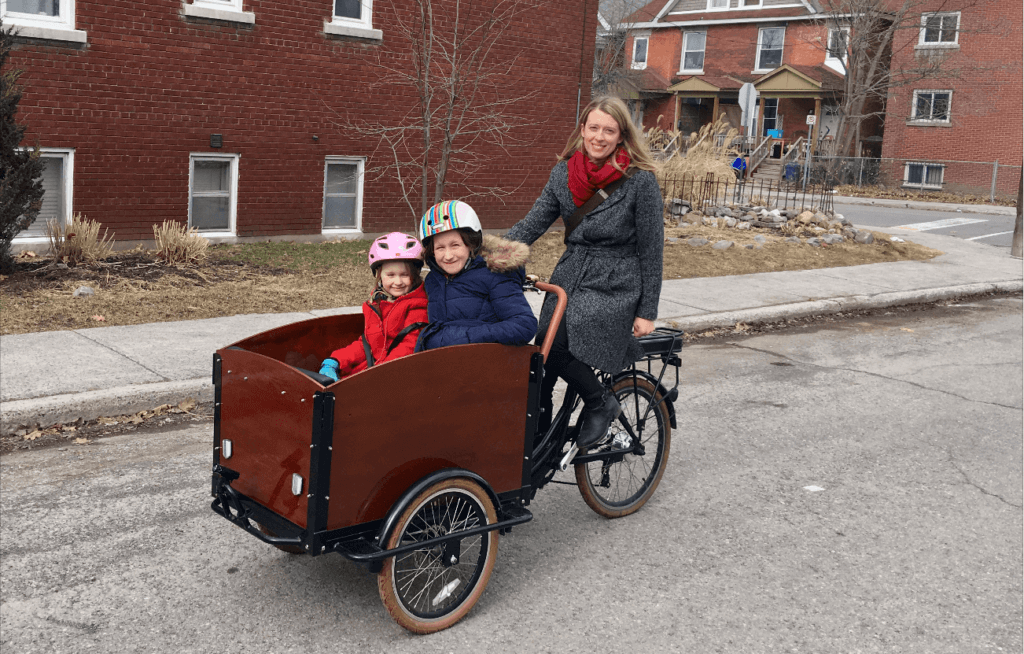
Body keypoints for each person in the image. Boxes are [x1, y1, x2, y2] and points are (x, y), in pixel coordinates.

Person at [506, 96, 664, 449]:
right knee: (541, 357)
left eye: (609, 130)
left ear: (621, 136)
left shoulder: (640, 181)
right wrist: (486, 254)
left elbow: (652, 250)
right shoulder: (563, 172)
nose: (599, 137)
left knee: (561, 348)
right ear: (582, 130)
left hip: (615, 283)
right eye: (593, 128)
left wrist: (646, 311)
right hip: (571, 274)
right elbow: (532, 224)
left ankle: (599, 402)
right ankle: (536, 442)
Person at [415, 200, 538, 351]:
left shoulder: (494, 275)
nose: (448, 256)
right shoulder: (433, 280)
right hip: (445, 361)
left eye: (455, 245)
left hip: (485, 359)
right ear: (431, 251)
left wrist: (461, 338)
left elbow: (523, 325)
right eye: (440, 248)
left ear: (471, 244)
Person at [318, 232, 428, 382]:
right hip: (375, 369)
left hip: (398, 376)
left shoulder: (418, 306)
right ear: (379, 276)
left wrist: (375, 376)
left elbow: (408, 348)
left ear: (414, 276)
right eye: (391, 275)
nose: (398, 281)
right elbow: (367, 344)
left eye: (404, 274)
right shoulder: (376, 304)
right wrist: (337, 360)